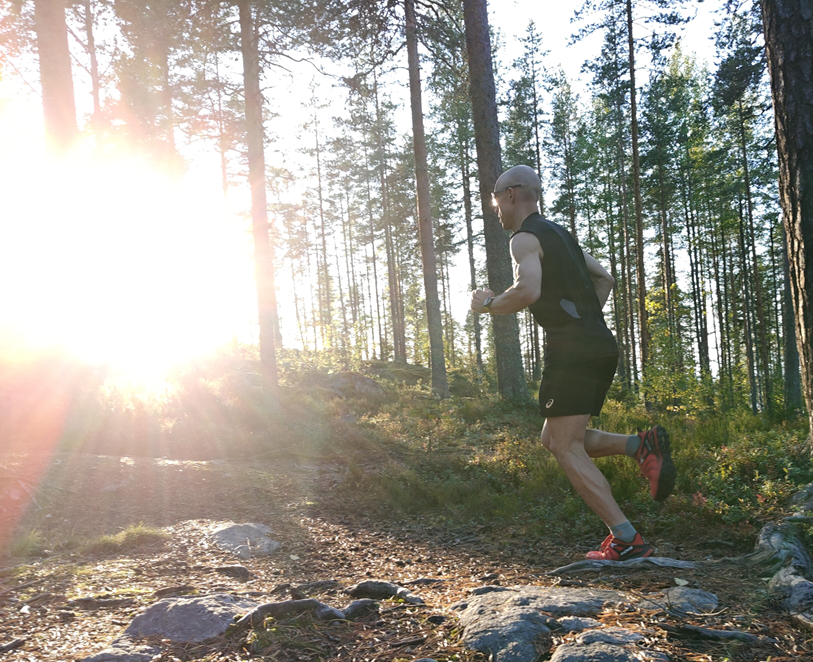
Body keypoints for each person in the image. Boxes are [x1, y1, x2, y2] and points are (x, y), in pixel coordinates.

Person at [470, 165, 676, 560]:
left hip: (572, 350)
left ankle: (626, 539)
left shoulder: (525, 238)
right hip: (600, 344)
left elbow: (527, 290)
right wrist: (584, 324)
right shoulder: (561, 236)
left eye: (496, 198)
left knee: (566, 447)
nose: (495, 208)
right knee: (554, 439)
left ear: (512, 194)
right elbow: (604, 279)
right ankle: (640, 445)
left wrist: (489, 305)